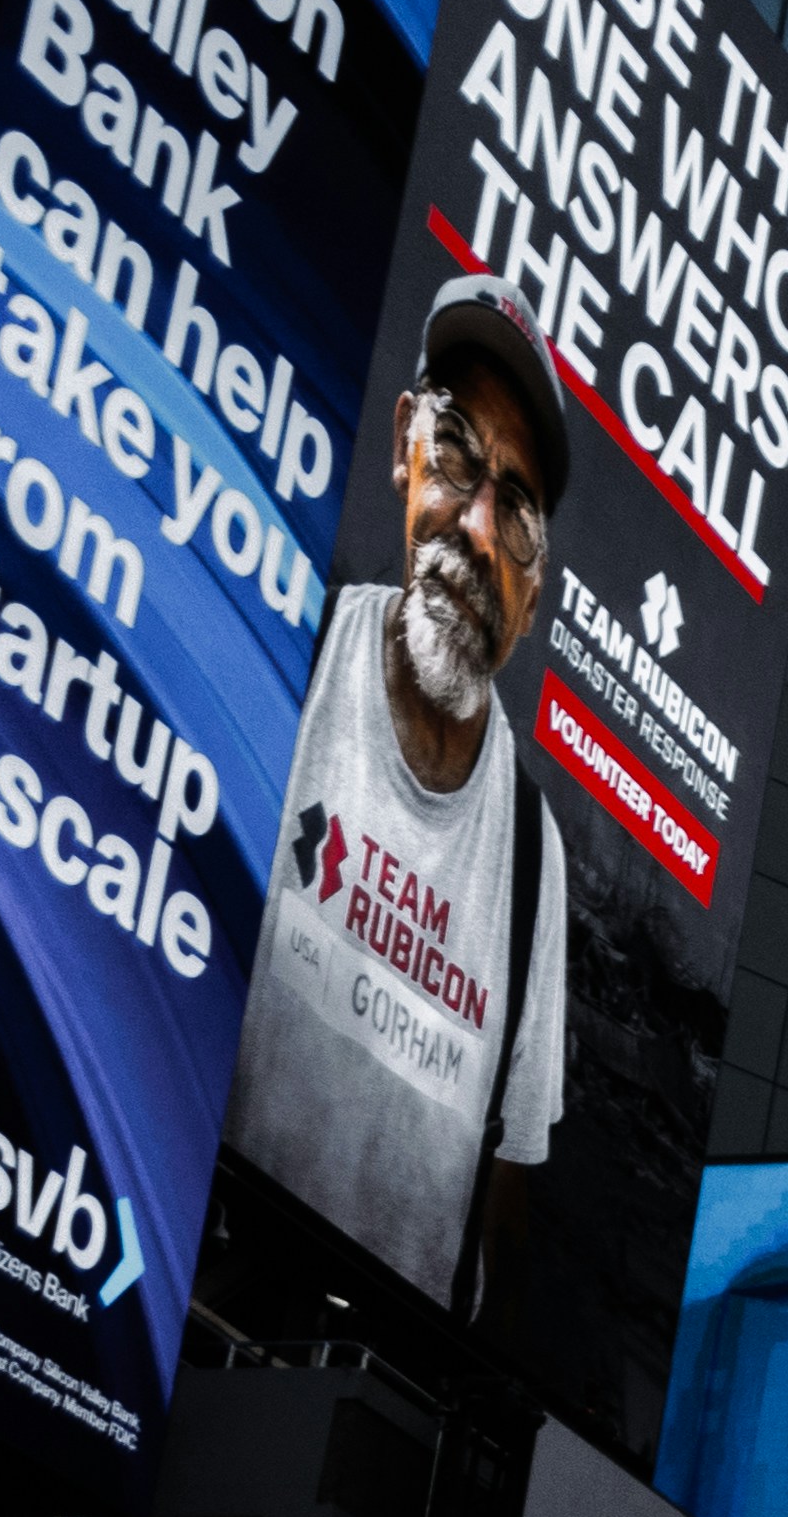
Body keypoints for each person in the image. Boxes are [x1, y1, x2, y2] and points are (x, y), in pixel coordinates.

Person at [224, 277, 576, 1299]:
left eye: (515, 508)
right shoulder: (284, 661)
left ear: (532, 589)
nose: (475, 525)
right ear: (401, 446)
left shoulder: (531, 857)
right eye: (458, 450)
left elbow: (502, 1230)